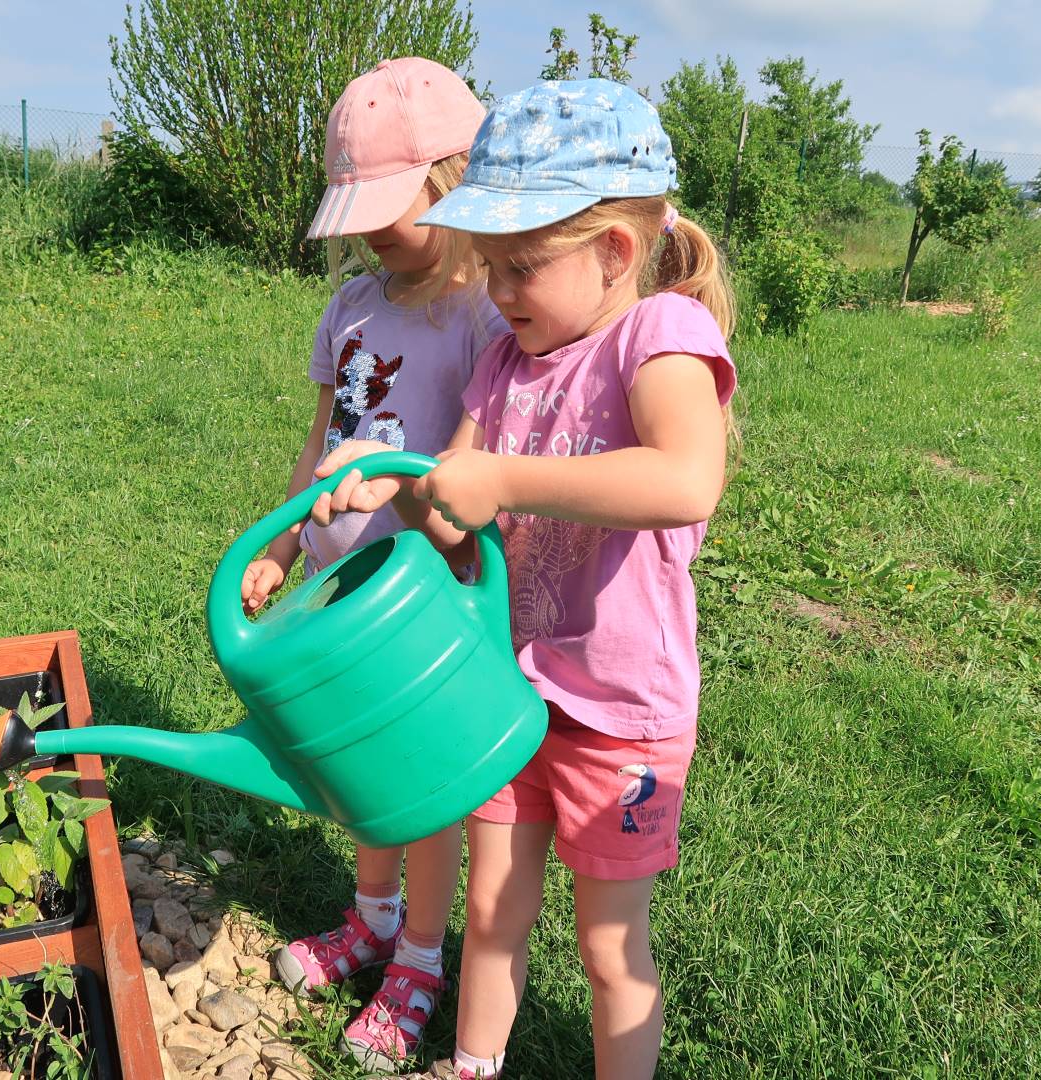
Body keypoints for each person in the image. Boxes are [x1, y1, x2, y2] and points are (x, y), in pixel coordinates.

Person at [311, 78, 738, 1079]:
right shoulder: (504, 364)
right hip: (510, 697)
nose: (497, 290)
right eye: (492, 264)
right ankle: (472, 1065)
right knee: (495, 914)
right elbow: (457, 524)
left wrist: (501, 476)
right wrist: (400, 480)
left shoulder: (660, 338)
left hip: (622, 717)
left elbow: (686, 479)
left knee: (608, 950)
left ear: (614, 252)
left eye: (520, 266)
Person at [238, 56, 507, 1072]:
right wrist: (279, 543)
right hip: (341, 589)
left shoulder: (484, 315)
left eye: (393, 207)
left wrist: (398, 486)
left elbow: (470, 484)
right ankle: (373, 917)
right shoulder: (351, 305)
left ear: (454, 182)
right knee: (361, 769)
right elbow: (318, 447)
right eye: (358, 212)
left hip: (425, 595)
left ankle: (421, 962)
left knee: (421, 789)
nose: (371, 231)